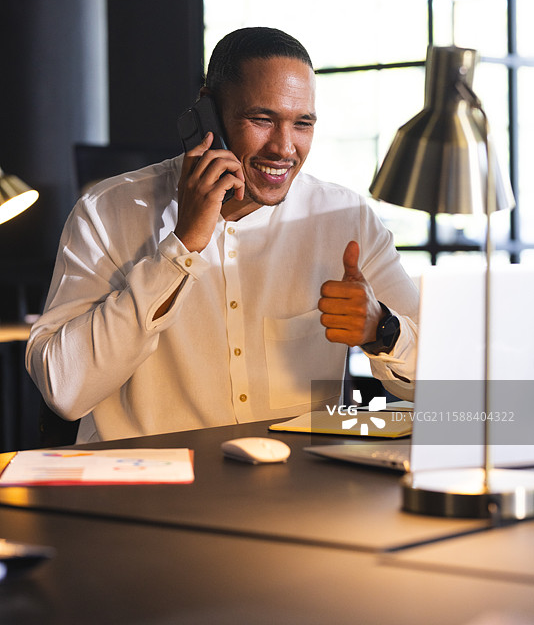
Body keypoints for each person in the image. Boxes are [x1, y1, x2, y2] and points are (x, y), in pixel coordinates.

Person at [26, 27, 418, 443]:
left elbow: (449, 390)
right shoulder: (106, 212)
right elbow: (64, 392)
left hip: (298, 494)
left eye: (302, 123)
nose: (284, 148)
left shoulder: (346, 219)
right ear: (206, 112)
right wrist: (180, 250)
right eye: (262, 119)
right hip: (146, 493)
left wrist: (384, 331)